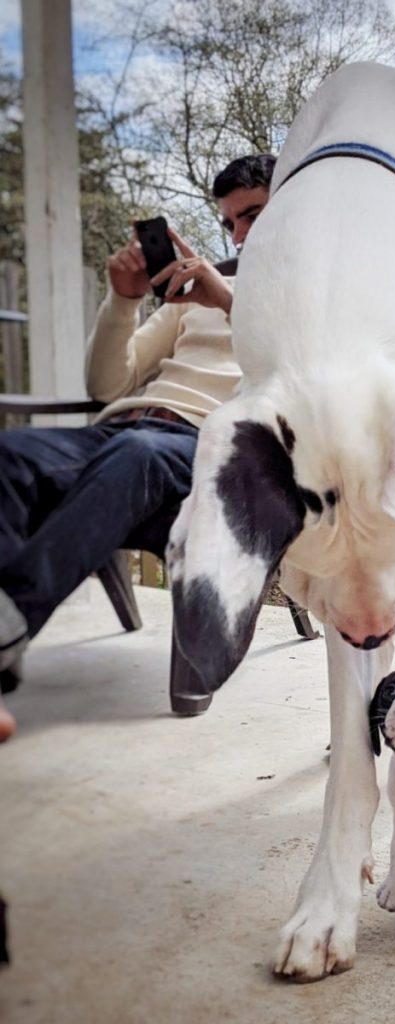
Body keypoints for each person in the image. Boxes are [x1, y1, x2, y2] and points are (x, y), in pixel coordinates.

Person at [0, 153, 276, 737]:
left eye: (252, 213)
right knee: (11, 455)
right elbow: (107, 386)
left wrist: (228, 299)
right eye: (229, 223)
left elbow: (302, 373)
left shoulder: (313, 300)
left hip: (207, 451)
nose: (240, 234)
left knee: (139, 456)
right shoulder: (193, 298)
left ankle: (7, 626)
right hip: (125, 432)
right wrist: (122, 301)